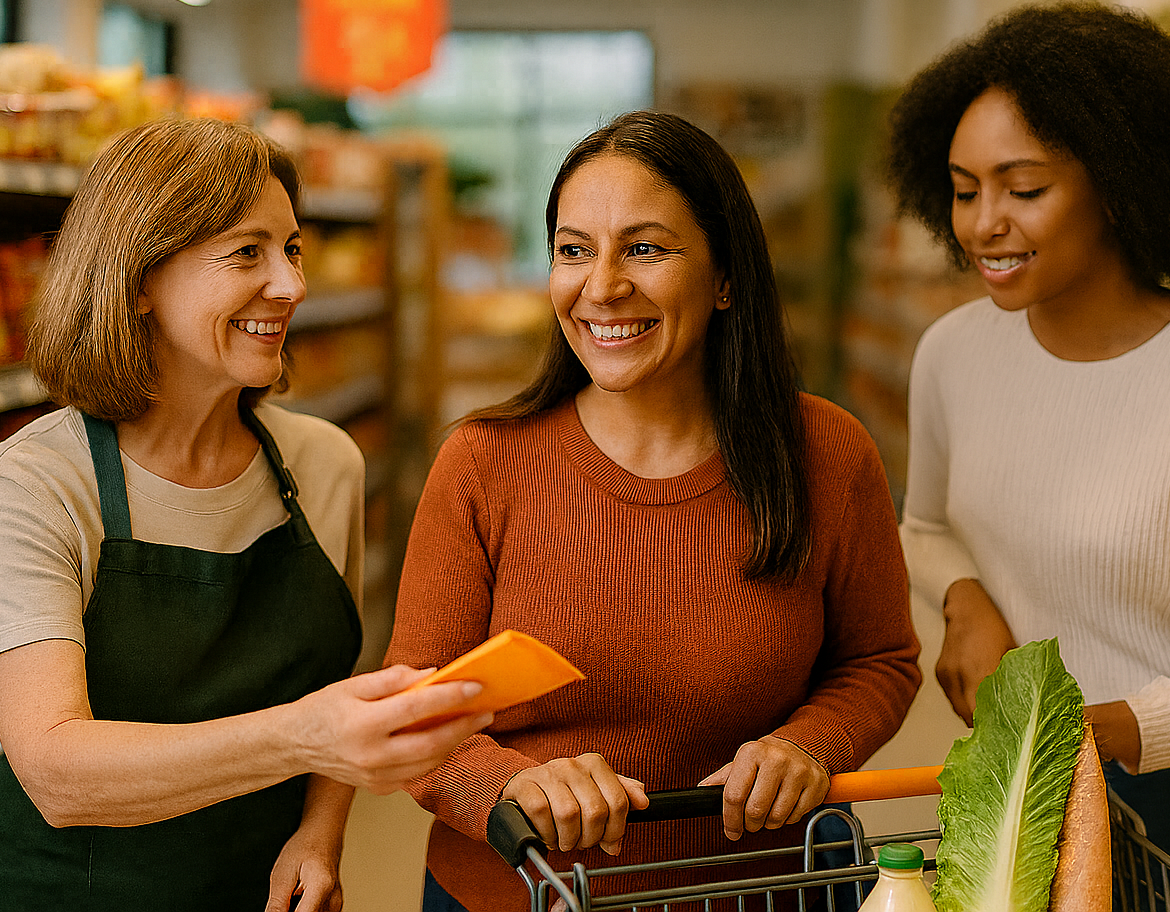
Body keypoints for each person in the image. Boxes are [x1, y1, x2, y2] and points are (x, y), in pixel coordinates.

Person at [0, 118, 494, 912]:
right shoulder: (26, 487)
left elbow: (335, 690)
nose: (293, 286)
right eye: (247, 252)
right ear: (137, 281)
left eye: (293, 249)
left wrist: (320, 829)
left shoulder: (323, 466)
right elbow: (58, 772)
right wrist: (303, 734)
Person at [386, 110, 922, 912]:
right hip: (521, 895)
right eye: (574, 250)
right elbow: (412, 715)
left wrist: (807, 745)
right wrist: (520, 783)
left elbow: (879, 660)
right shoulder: (482, 461)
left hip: (767, 891)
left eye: (645, 248)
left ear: (726, 274)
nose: (601, 287)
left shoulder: (826, 454)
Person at [889, 0, 1170, 912]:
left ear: (1119, 184)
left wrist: (1065, 734)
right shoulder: (953, 355)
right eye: (965, 190)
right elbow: (924, 526)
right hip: (1025, 775)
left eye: (1024, 188)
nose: (983, 224)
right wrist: (969, 605)